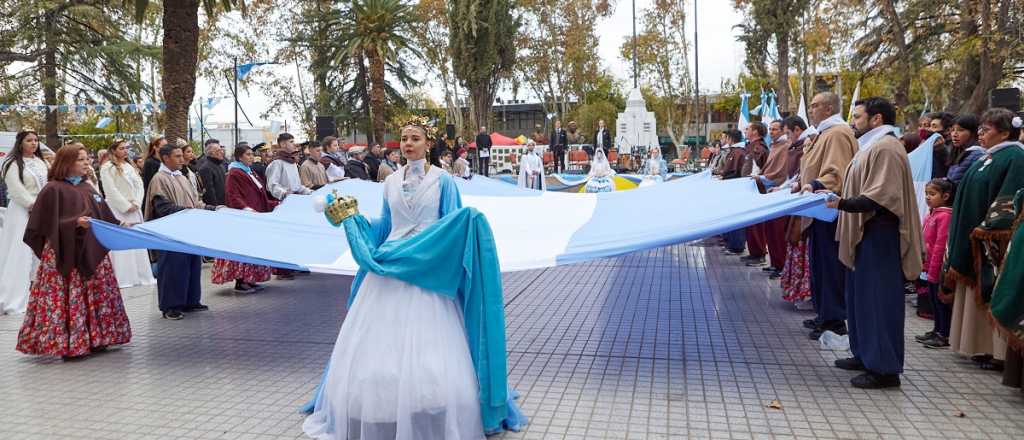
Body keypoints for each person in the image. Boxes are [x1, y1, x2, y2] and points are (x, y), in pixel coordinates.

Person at [302, 116, 525, 438]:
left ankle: (432, 401)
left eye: (415, 138)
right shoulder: (390, 182)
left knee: (431, 341)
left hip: (427, 267)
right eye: (404, 138)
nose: (408, 143)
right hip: (390, 264)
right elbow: (387, 225)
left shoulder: (443, 180)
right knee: (379, 339)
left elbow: (452, 225)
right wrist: (357, 218)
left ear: (428, 144)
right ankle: (382, 403)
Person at [829, 97, 923, 389]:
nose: (852, 122)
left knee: (879, 301)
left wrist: (841, 203)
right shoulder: (871, 145)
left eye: (857, 116)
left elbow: (883, 196)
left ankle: (884, 368)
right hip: (866, 233)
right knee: (861, 299)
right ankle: (865, 353)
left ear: (877, 119)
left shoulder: (886, 148)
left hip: (879, 234)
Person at [17, 143, 132, 358]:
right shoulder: (52, 189)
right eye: (81, 159)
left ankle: (99, 338)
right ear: (66, 162)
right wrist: (73, 223)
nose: (87, 163)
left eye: (87, 158)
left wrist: (119, 225)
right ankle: (69, 342)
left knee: (97, 292)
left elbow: (103, 213)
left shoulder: (88, 187)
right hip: (64, 253)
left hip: (91, 249)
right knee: (69, 294)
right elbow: (40, 225)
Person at [944, 108, 1024, 371]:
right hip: (973, 239)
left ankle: (995, 350)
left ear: (1004, 132)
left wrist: (988, 227)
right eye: (979, 129)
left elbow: (1009, 200)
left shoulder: (1015, 157)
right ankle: (977, 345)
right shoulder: (988, 157)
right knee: (974, 293)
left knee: (991, 292)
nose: (980, 134)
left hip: (992, 246)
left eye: (986, 129)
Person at [799, 92, 858, 339]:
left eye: (815, 106)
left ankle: (834, 319)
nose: (810, 110)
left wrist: (814, 183)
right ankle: (824, 312)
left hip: (829, 212)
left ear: (829, 108)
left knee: (830, 266)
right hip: (817, 210)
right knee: (819, 266)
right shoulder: (824, 133)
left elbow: (837, 172)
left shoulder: (837, 133)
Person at [145, 141, 218, 320]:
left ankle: (191, 300)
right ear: (165, 158)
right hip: (170, 232)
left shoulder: (181, 176)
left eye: (181, 155)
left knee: (192, 265)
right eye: (177, 156)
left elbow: (194, 201)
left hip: (188, 229)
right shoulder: (159, 178)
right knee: (172, 268)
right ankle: (171, 306)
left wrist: (210, 208)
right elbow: (162, 207)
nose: (182, 159)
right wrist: (188, 211)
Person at [212, 145, 277, 294]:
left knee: (253, 249)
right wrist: (246, 209)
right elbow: (233, 195)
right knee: (243, 250)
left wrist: (272, 204)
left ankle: (250, 279)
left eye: (252, 154)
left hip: (256, 215)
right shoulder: (234, 173)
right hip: (244, 218)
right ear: (239, 157)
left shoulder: (250, 171)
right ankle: (241, 281)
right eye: (248, 154)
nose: (251, 157)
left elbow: (261, 193)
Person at [0, 130, 49, 314]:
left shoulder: (40, 162)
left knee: (40, 251)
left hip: (42, 211)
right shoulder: (12, 163)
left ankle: (39, 294)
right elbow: (15, 188)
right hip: (22, 210)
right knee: (21, 251)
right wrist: (31, 204)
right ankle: (15, 296)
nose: (34, 143)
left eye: (36, 140)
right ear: (20, 143)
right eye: (29, 140)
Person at [99, 139, 155, 289]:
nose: (125, 151)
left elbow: (139, 185)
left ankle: (141, 275)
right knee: (122, 244)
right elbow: (110, 190)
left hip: (134, 208)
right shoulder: (107, 168)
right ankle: (124, 277)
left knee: (137, 242)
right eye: (121, 148)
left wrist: (136, 203)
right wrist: (125, 206)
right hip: (118, 210)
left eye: (126, 148)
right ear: (114, 150)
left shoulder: (129, 166)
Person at [914, 178, 955, 349]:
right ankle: (936, 329)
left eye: (932, 194)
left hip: (937, 268)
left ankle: (944, 334)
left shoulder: (945, 216)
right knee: (932, 301)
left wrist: (934, 268)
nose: (928, 197)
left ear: (945, 196)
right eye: (926, 194)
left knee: (940, 302)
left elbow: (940, 244)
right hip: (928, 266)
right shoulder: (932, 213)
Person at [779, 116, 813, 308]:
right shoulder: (795, 149)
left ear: (798, 130)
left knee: (803, 247)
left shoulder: (805, 146)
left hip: (806, 210)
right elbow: (794, 177)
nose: (785, 137)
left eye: (786, 133)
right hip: (799, 207)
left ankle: (807, 293)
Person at [754, 120, 792, 275]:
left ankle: (781, 264)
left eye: (775, 129)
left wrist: (763, 178)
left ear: (783, 130)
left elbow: (781, 171)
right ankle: (775, 262)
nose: (771, 132)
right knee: (770, 230)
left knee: (778, 231)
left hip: (779, 191)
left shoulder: (785, 146)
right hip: (768, 190)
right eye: (770, 129)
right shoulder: (774, 146)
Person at [741, 122, 770, 266]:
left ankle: (759, 254)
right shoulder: (751, 147)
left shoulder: (759, 148)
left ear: (756, 132)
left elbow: (759, 168)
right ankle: (753, 252)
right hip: (748, 188)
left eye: (748, 129)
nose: (745, 131)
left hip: (756, 187)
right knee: (750, 223)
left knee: (756, 223)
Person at [266, 133, 314, 201]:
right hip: (284, 202)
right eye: (291, 142)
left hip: (295, 199)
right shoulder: (277, 163)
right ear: (283, 144)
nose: (294, 144)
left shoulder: (292, 161)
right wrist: (285, 194)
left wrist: (309, 192)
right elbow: (273, 185)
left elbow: (297, 186)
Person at [946, 114, 985, 183]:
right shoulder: (957, 152)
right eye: (952, 130)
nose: (954, 134)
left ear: (973, 132)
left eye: (960, 130)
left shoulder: (977, 154)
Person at [197, 139, 227, 206]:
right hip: (215, 208)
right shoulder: (206, 168)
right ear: (211, 153)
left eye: (221, 150)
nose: (222, 152)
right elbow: (209, 192)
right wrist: (216, 207)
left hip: (224, 205)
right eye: (218, 150)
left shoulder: (221, 165)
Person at [928, 112, 955, 178]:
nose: (929, 130)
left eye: (934, 126)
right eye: (930, 126)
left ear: (948, 130)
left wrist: (941, 149)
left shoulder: (955, 148)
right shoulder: (931, 146)